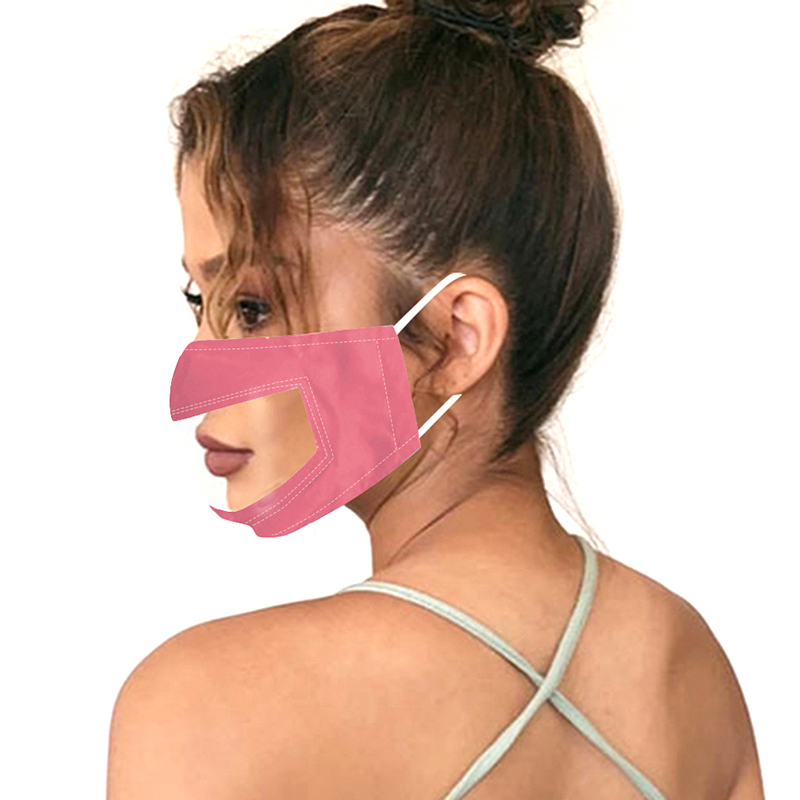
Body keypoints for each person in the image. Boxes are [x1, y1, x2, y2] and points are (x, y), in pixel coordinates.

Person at [107, 2, 764, 798]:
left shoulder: (204, 704)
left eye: (252, 307)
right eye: (199, 301)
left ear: (456, 340)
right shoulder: (689, 672)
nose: (203, 363)